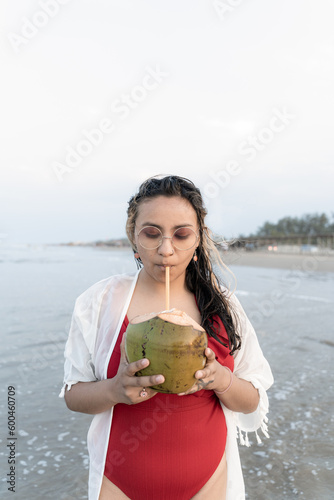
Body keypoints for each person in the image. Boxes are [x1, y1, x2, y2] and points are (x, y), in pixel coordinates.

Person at [59, 175, 273, 500]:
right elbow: (74, 395)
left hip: (208, 482)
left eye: (181, 234)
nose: (166, 250)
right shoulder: (99, 302)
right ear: (134, 235)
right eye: (152, 233)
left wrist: (221, 379)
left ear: (198, 238)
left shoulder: (223, 306)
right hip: (119, 483)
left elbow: (252, 400)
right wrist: (115, 389)